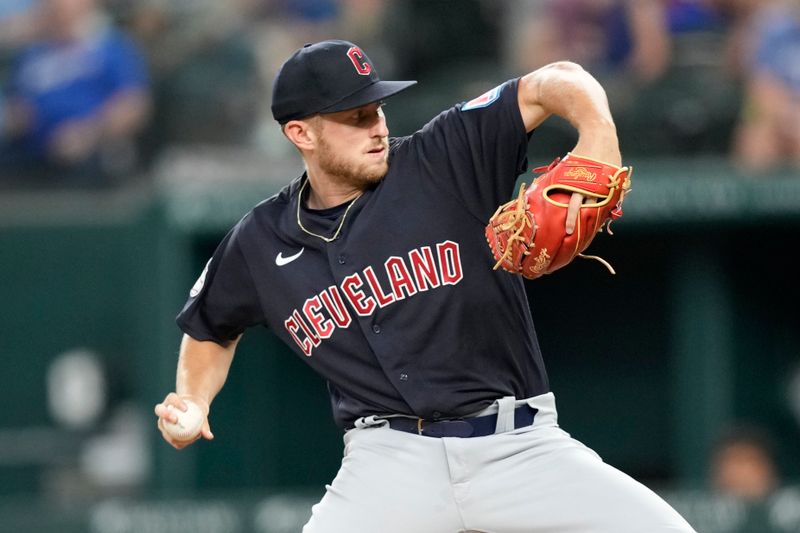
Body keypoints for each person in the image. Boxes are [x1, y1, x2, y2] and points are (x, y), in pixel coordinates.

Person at [154, 39, 697, 532]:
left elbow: (558, 77)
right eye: (355, 115)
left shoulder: (444, 156)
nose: (377, 125)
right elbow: (210, 328)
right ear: (301, 132)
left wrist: (598, 133)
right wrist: (194, 401)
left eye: (378, 108)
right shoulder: (258, 241)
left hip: (517, 447)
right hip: (387, 465)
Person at [0, 0, 151, 188]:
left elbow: (133, 106)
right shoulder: (32, 54)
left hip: (91, 153)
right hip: (31, 154)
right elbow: (15, 104)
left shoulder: (110, 46)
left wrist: (88, 134)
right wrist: (19, 118)